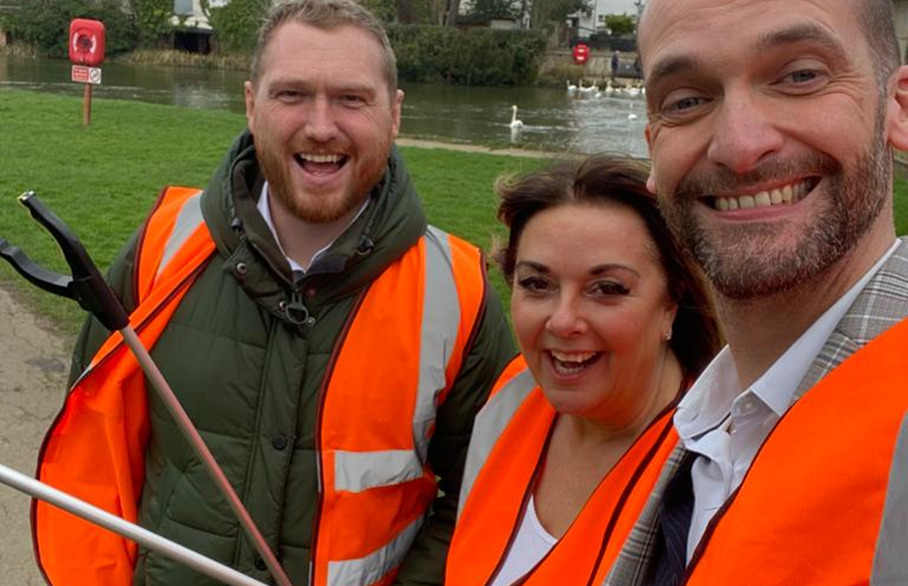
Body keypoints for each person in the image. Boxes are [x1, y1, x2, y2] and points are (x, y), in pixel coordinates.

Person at [31, 1, 515, 584]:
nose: (319, 126)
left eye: (351, 98)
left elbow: (489, 495)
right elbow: (95, 458)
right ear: (250, 104)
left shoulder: (458, 291)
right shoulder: (163, 245)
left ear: (395, 114)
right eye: (291, 95)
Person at [605, 0, 908, 584]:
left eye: (800, 76)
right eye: (686, 101)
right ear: (652, 146)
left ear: (896, 109)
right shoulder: (702, 422)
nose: (740, 147)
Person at [446, 154, 720, 585]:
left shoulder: (714, 475)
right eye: (538, 284)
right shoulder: (511, 397)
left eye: (607, 289)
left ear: (671, 303)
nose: (562, 321)